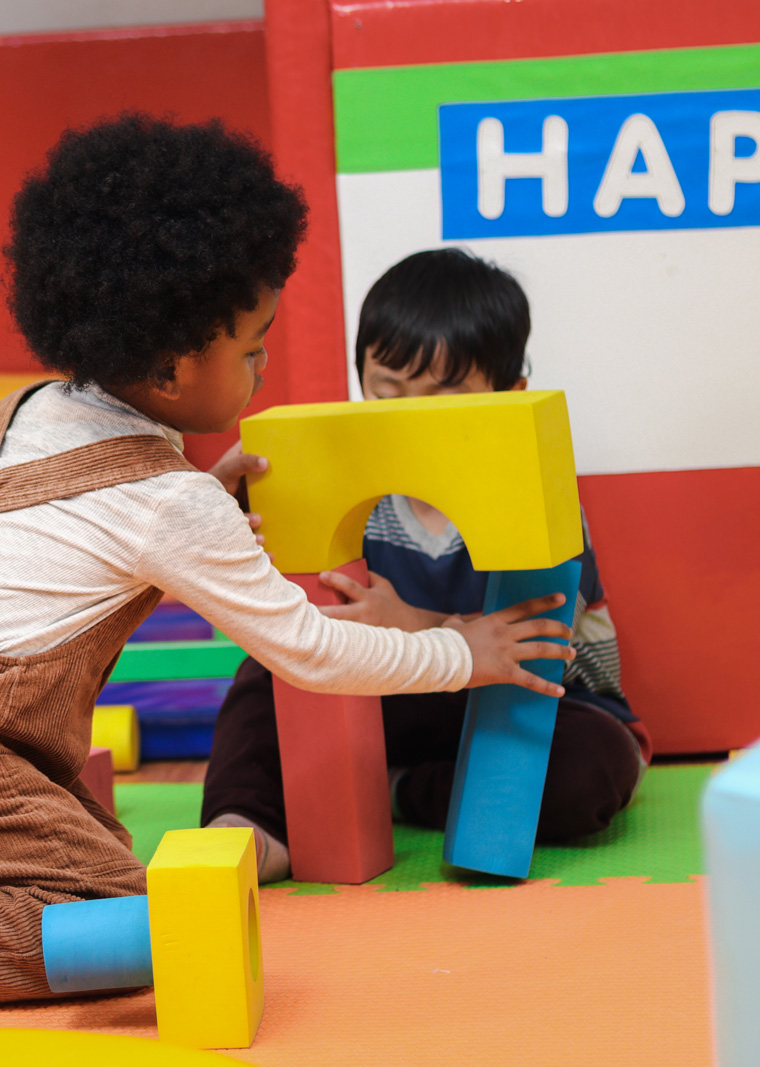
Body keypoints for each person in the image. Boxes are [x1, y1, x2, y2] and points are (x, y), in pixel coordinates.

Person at [0, 118, 574, 1030]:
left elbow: (72, 533)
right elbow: (313, 654)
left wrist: (203, 495)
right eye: (255, 346)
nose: (264, 366)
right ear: (177, 366)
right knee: (122, 923)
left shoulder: (35, 409)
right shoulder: (163, 503)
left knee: (96, 861)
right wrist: (466, 651)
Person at [201, 248, 650, 883]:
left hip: (534, 700)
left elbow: (540, 643)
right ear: (360, 379)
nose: (411, 413)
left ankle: (399, 791)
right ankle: (246, 827)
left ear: (508, 393)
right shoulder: (350, 487)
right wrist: (216, 516)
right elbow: (281, 604)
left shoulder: (533, 489)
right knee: (265, 673)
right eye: (387, 388)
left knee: (593, 764)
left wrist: (418, 623)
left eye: (445, 394)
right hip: (392, 693)